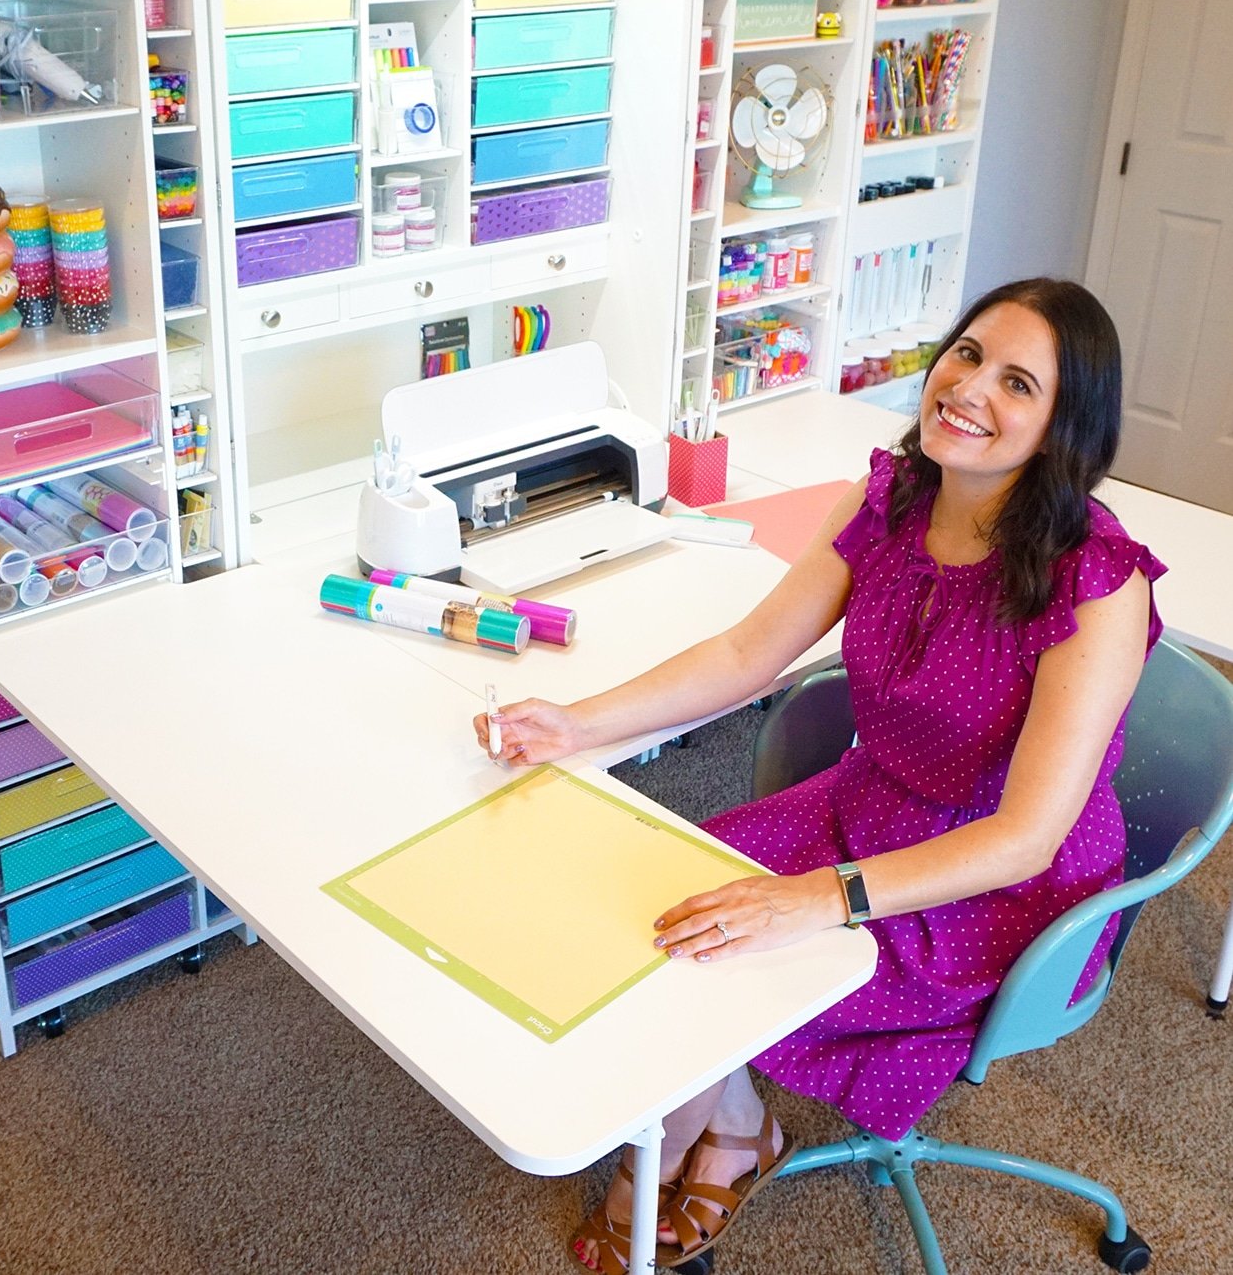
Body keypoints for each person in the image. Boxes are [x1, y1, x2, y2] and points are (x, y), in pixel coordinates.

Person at [473, 279, 1166, 1274]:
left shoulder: (1096, 580)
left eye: (1017, 382)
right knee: (674, 914)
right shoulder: (891, 493)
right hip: (872, 802)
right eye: (967, 354)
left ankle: (667, 1158)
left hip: (999, 881)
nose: (968, 389)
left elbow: (1026, 835)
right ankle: (741, 1122)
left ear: (1066, 426)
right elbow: (749, 653)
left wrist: (818, 901)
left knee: (726, 959)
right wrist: (577, 723)